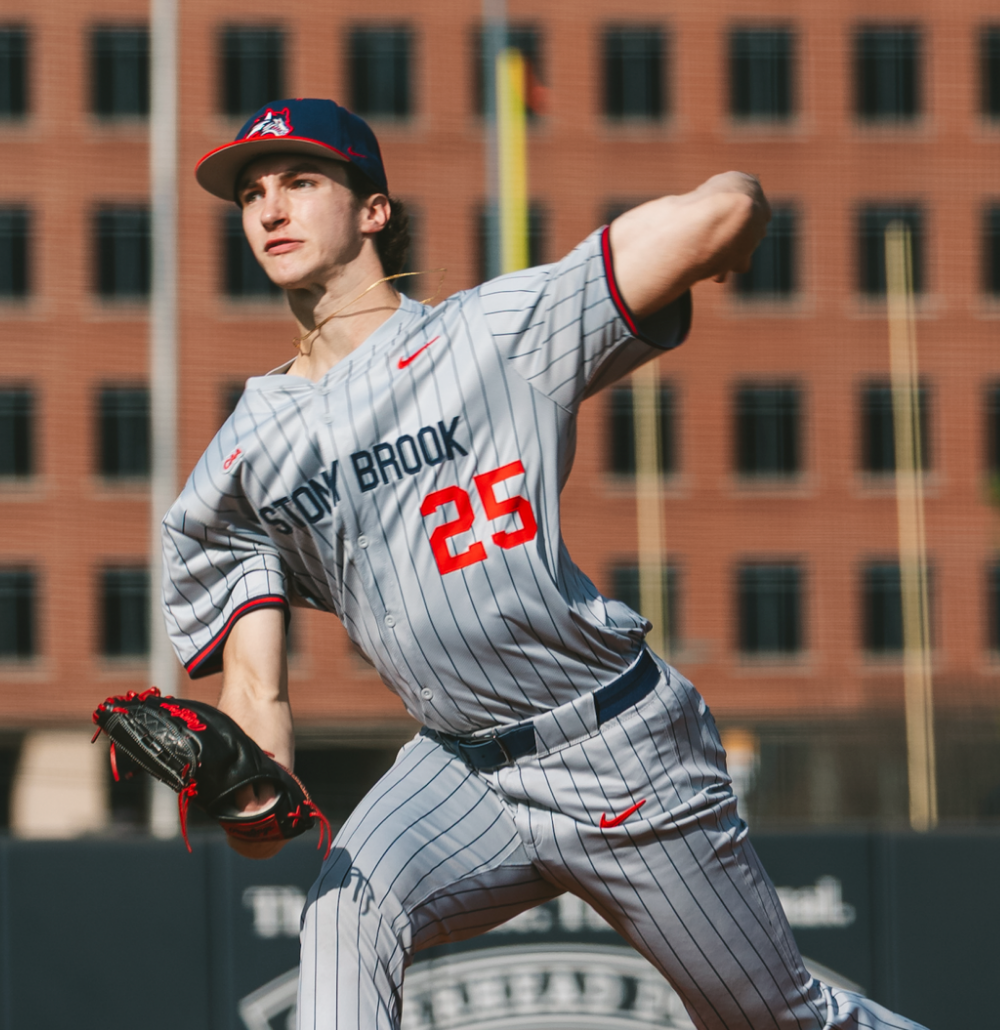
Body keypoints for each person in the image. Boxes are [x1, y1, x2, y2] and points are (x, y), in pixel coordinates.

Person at [162, 98, 927, 1030]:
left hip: (614, 750)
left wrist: (738, 218)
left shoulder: (493, 334)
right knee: (344, 912)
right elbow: (257, 700)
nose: (271, 209)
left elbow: (724, 207)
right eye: (251, 194)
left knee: (778, 1021)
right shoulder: (243, 456)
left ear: (372, 210)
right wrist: (252, 796)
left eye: (301, 182)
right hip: (459, 766)